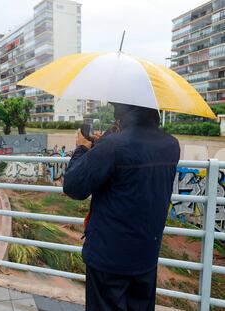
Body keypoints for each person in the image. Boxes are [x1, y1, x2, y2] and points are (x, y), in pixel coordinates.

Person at [63, 103, 180, 311]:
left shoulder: (113, 147)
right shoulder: (171, 145)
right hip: (146, 258)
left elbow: (73, 186)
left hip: (109, 261)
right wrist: (104, 146)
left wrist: (82, 148)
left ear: (125, 111)